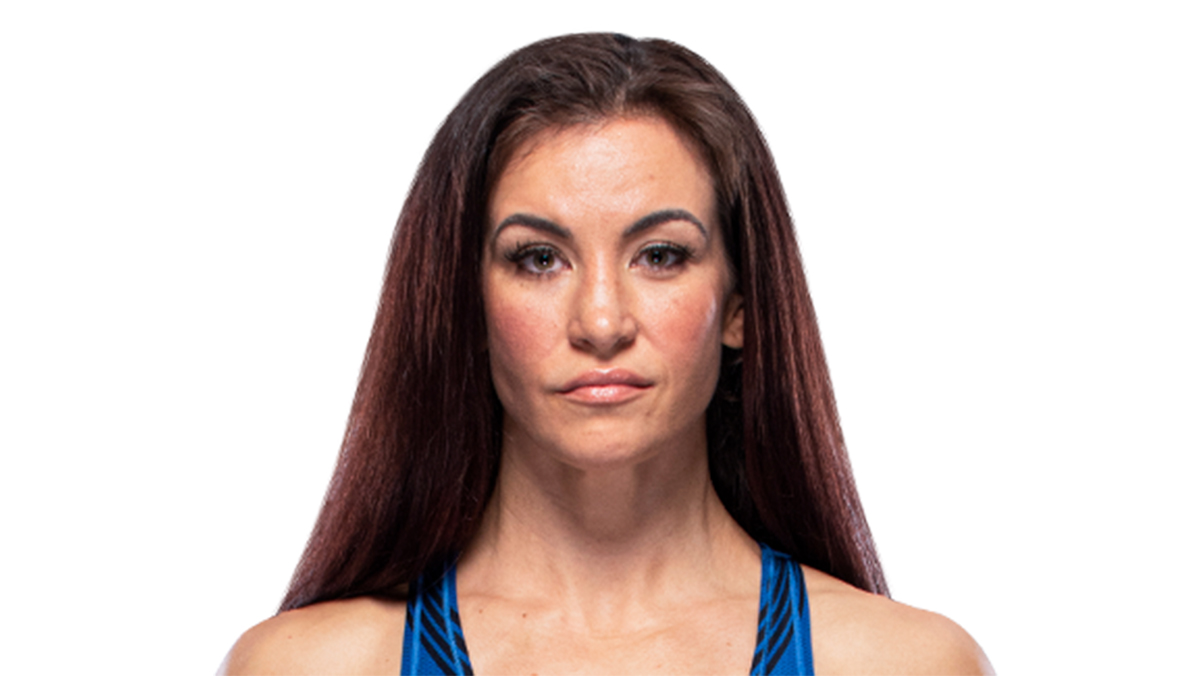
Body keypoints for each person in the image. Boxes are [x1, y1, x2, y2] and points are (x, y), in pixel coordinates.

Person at [221, 33, 993, 675]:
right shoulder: (309, 667)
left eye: (660, 255)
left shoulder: (904, 664)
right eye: (538, 259)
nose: (600, 321)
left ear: (741, 305)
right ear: (467, 305)